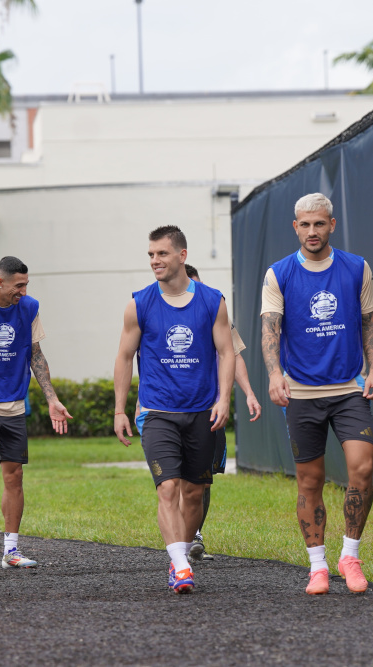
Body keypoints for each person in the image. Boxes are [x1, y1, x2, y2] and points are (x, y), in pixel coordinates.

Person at [260, 192, 373, 595]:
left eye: (320, 224)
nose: (312, 231)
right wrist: (275, 374)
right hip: (301, 393)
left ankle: (350, 556)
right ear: (295, 227)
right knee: (310, 481)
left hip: (349, 389)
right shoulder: (278, 274)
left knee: (361, 470)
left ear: (332, 225)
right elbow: (270, 329)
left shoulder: (356, 268)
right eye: (305, 225)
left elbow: (369, 322)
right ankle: (317, 566)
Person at [114, 226, 235, 594]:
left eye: (162, 254)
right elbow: (124, 356)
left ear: (182, 255)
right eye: (151, 255)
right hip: (157, 411)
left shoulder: (212, 301)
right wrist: (120, 409)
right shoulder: (140, 303)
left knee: (194, 493)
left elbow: (227, 352)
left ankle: (177, 554)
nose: (155, 261)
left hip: (202, 411)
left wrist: (224, 398)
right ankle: (181, 565)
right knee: (167, 487)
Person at [0, 256, 72, 569]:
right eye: (18, 285)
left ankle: (11, 549)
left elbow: (36, 356)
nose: (23, 291)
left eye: (26, 285)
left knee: (15, 475)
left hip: (13, 405)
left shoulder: (29, 308)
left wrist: (51, 398)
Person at [180, 264, 262, 562]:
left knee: (203, 478)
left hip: (210, 410)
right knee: (177, 478)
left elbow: (234, 354)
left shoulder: (216, 311)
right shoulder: (161, 311)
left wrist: (249, 393)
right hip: (173, 409)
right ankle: (180, 541)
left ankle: (195, 534)